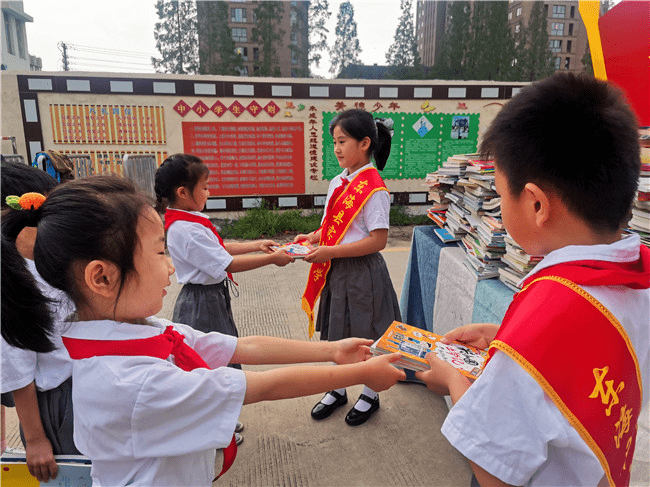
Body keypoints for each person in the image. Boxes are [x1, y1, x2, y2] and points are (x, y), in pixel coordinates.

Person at [1, 175, 406, 487]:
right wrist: (359, 374)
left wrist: (331, 351)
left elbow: (239, 346)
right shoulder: (129, 383)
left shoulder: (138, 329)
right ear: (102, 278)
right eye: (161, 253)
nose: (170, 267)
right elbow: (262, 387)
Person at [415, 73, 649, 486]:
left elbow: (494, 471)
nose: (500, 206)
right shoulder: (637, 272)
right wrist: (506, 338)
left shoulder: (544, 319)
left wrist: (452, 378)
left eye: (503, 194)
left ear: (538, 203)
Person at [155, 153, 294, 443]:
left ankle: (219, 419)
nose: (209, 191)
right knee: (209, 363)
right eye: (204, 187)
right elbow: (226, 264)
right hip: (201, 302)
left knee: (220, 354)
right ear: (183, 192)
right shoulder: (186, 229)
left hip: (211, 297)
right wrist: (272, 260)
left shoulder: (189, 221)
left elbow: (219, 250)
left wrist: (256, 245)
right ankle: (210, 428)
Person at [295, 109, 402, 426]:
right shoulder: (337, 182)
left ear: (365, 143)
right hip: (336, 270)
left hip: (362, 272)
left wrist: (330, 250)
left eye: (343, 141)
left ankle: (370, 394)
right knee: (336, 329)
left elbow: (378, 240)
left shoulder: (375, 188)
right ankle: (337, 388)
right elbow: (332, 224)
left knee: (366, 333)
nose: (337, 149)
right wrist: (313, 237)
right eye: (334, 142)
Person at [0, 161, 80, 483]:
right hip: (53, 402)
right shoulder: (14, 279)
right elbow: (16, 364)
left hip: (83, 383)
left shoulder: (55, 259)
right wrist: (34, 438)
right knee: (71, 474)